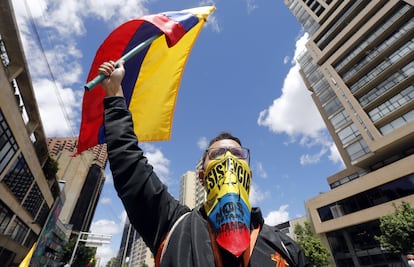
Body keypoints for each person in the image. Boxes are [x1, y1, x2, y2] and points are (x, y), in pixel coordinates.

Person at [99, 60, 311, 267]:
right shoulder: (172, 225)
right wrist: (114, 92)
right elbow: (129, 164)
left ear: (249, 174)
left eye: (237, 154)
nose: (228, 160)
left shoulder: (285, 246)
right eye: (217, 154)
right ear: (202, 176)